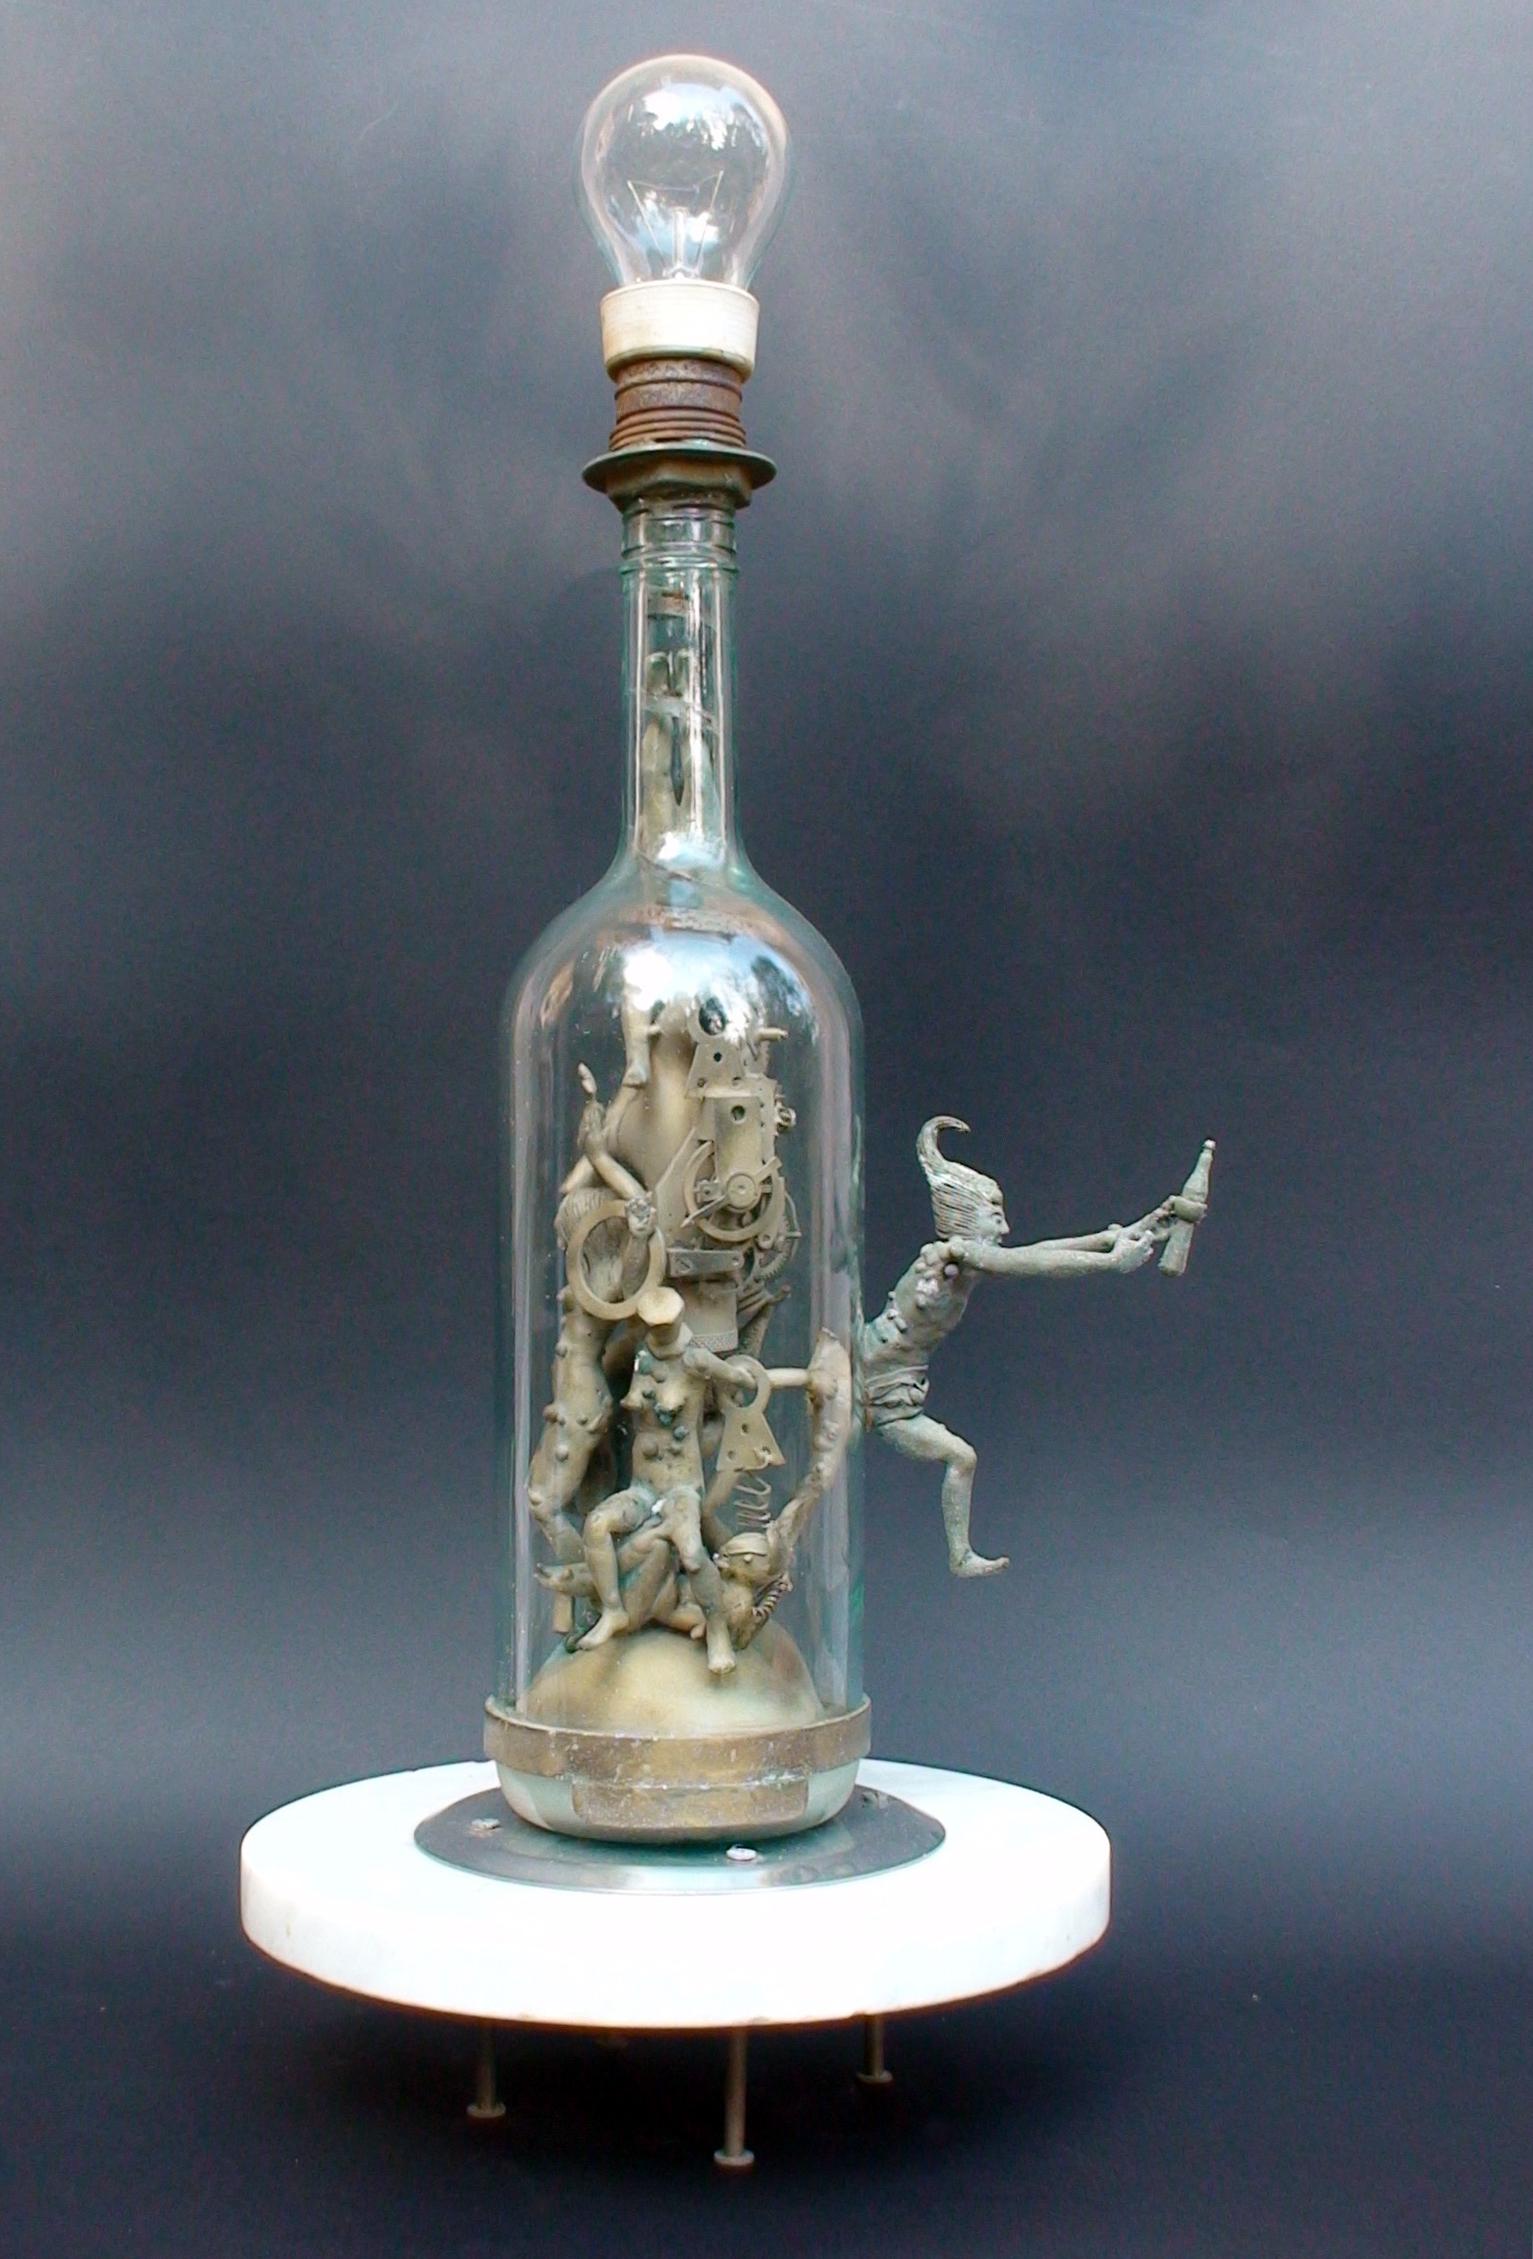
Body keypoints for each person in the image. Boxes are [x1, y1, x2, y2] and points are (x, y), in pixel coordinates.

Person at [861, 1117, 1210, 1576]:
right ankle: (959, 1556)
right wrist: (1109, 1262)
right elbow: (1032, 1264)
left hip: (893, 1389)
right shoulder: (960, 1254)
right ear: (966, 1218)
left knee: (961, 1457)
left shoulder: (963, 1262)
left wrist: (1120, 1234)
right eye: (995, 1215)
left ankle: (960, 1556)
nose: (1005, 1226)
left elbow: (1035, 1250)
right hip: (874, 1386)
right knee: (961, 1457)